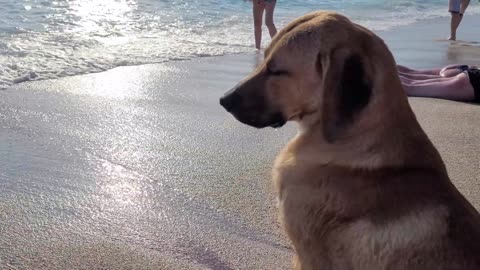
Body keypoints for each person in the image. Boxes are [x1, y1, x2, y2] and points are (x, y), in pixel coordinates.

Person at [398, 64, 480, 102]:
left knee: (411, 81)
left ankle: (387, 69)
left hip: (473, 76)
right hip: (472, 82)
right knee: (411, 86)